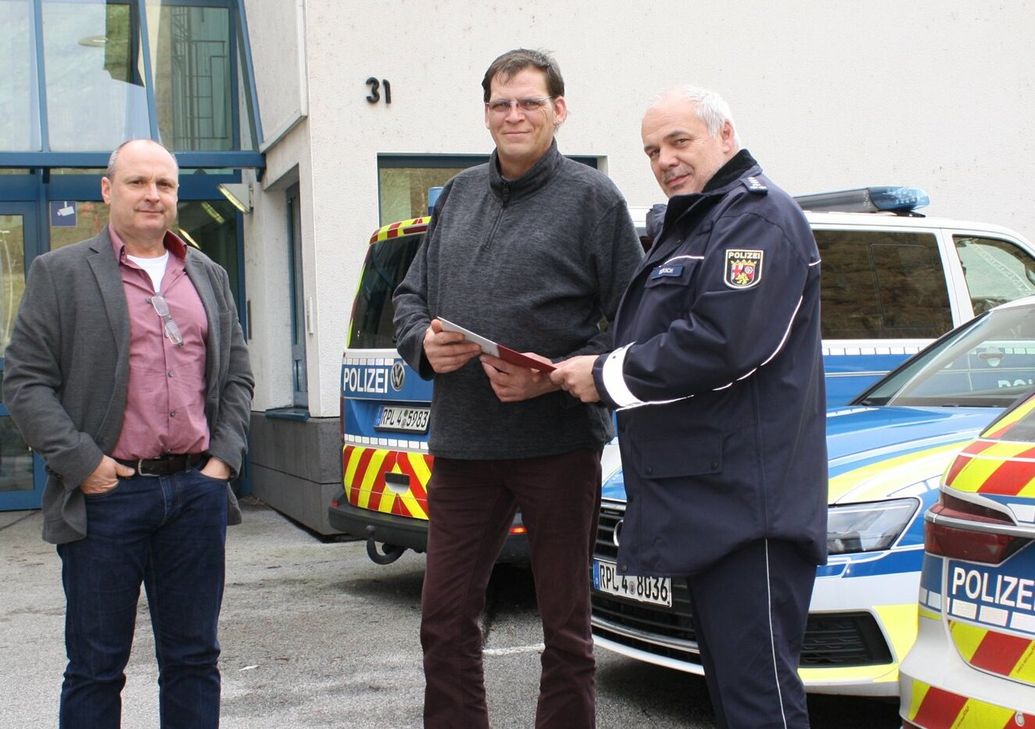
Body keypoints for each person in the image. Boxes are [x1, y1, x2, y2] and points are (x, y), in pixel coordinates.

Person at [550, 86, 828, 729]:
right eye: (653, 150)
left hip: (749, 512)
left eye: (680, 141)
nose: (665, 160)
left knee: (760, 699)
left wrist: (607, 376)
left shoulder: (756, 220)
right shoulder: (698, 221)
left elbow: (725, 342)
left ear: (725, 134)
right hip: (712, 503)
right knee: (736, 696)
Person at [393, 48, 643, 729]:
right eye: (501, 103)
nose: (514, 115)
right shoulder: (460, 195)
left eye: (529, 102)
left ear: (558, 110)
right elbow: (409, 298)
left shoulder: (594, 200)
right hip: (464, 446)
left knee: (566, 628)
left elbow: (634, 322)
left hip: (556, 446)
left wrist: (552, 376)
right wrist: (425, 345)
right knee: (443, 620)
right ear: (485, 113)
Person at [3, 139, 254, 729]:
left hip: (195, 491)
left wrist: (222, 462)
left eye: (164, 185)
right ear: (108, 190)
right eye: (138, 182)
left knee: (194, 659)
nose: (153, 195)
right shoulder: (59, 273)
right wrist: (82, 464)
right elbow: (25, 383)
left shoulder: (207, 276)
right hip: (106, 496)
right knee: (95, 665)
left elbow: (237, 375)